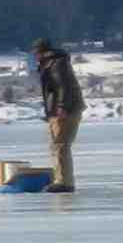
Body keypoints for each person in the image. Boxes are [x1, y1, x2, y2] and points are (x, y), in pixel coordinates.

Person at [31, 37, 83, 191]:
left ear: (41, 51)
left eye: (36, 52)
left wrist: (62, 107)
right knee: (57, 145)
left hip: (66, 110)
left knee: (60, 145)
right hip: (56, 111)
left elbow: (63, 86)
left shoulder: (57, 63)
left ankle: (64, 183)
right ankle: (61, 179)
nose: (34, 55)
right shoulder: (49, 63)